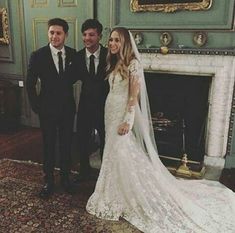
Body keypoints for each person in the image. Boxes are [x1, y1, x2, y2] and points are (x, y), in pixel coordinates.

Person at [86, 27, 235, 233]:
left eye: (117, 41)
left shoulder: (134, 64)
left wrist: (127, 121)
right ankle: (113, 191)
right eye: (111, 40)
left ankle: (125, 192)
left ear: (126, 43)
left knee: (122, 151)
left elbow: (133, 97)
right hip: (109, 110)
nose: (112, 44)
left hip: (122, 114)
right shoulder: (113, 61)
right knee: (112, 150)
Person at [26, 18, 76, 199]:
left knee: (66, 144)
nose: (54, 36)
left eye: (58, 33)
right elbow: (30, 85)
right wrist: (37, 107)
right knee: (48, 145)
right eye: (51, 32)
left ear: (66, 35)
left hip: (67, 109)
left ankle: (65, 178)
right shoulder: (38, 55)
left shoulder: (73, 54)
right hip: (47, 110)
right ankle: (48, 180)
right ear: (48, 33)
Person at [71, 19, 108, 182]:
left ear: (99, 36)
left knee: (106, 140)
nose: (87, 38)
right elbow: (68, 79)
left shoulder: (109, 55)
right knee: (82, 139)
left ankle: (106, 174)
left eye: (91, 35)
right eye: (84, 35)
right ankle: (84, 171)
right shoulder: (77, 57)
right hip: (85, 105)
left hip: (105, 105)